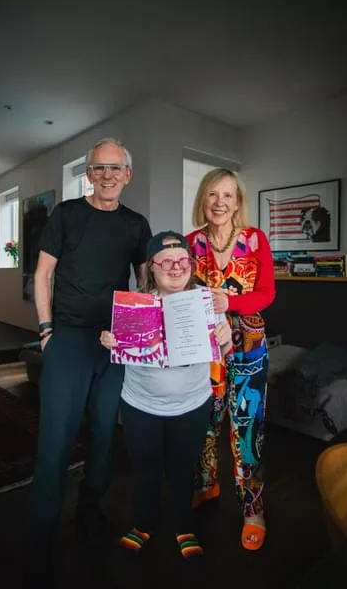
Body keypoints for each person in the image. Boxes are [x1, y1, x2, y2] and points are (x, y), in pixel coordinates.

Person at [27, 138, 152, 564]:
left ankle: (89, 508)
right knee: (56, 436)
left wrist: (137, 334)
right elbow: (43, 274)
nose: (108, 175)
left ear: (128, 174)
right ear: (88, 174)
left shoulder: (136, 224)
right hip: (68, 338)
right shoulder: (66, 214)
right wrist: (46, 331)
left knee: (103, 433)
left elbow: (146, 284)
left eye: (116, 168)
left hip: (114, 342)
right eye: (99, 168)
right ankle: (42, 527)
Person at [100, 231, 233, 560]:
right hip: (140, 405)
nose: (176, 268)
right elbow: (120, 349)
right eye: (166, 261)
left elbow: (223, 350)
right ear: (150, 267)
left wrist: (226, 336)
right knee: (145, 469)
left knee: (181, 468)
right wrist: (110, 341)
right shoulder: (133, 304)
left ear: (190, 264)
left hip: (191, 404)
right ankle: (144, 523)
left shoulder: (206, 301)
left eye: (182, 260)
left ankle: (183, 526)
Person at [186, 168, 276, 551]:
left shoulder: (255, 240)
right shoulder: (190, 243)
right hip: (204, 350)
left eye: (228, 195)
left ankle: (252, 507)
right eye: (212, 195)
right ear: (202, 201)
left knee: (247, 429)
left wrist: (231, 303)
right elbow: (180, 291)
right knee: (204, 420)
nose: (220, 202)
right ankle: (207, 485)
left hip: (249, 347)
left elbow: (267, 292)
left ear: (238, 201)